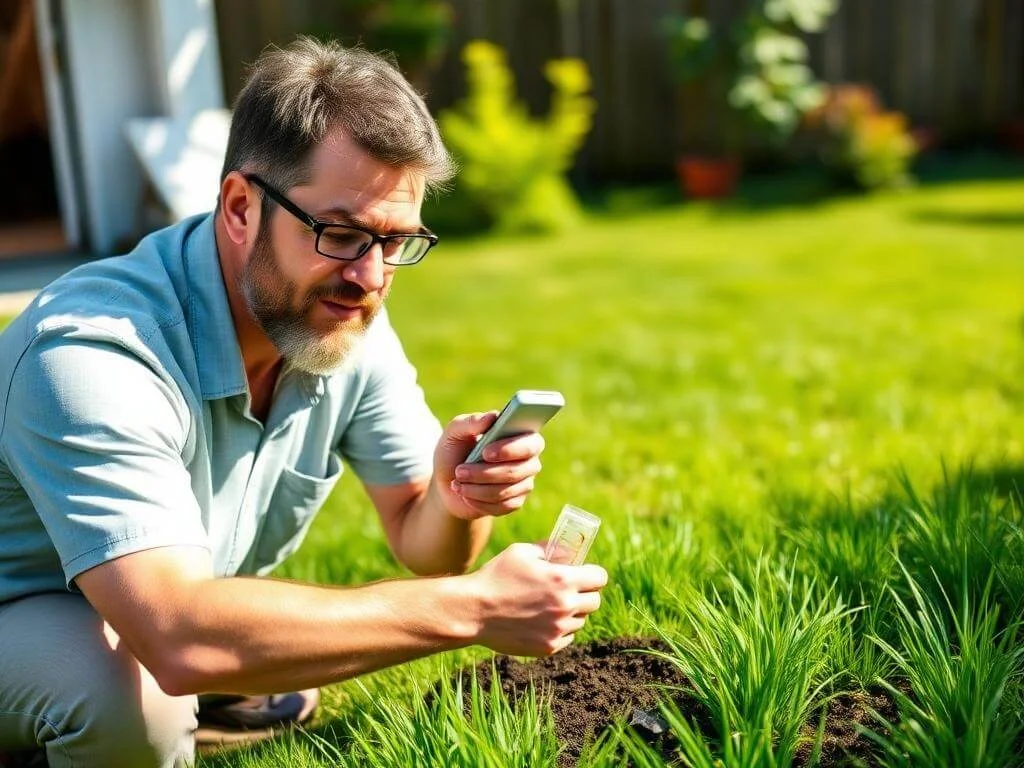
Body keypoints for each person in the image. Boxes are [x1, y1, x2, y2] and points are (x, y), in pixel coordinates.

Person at [0, 38, 608, 768]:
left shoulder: (340, 320)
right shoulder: (92, 353)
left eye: (397, 242)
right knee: (132, 705)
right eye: (341, 233)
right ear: (238, 207)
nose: (370, 277)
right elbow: (179, 634)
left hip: (138, 599)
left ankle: (225, 680)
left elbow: (424, 543)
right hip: (21, 608)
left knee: (185, 659)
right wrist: (477, 609)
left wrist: (454, 499)